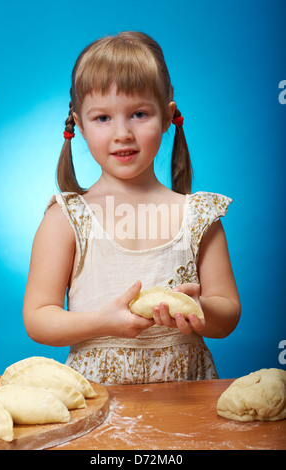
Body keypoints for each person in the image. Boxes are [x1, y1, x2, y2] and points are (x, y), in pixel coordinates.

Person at [23, 31, 241, 385]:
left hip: (184, 393)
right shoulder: (66, 218)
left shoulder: (199, 215)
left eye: (139, 114)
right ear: (78, 125)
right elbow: (38, 318)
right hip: (99, 393)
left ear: (168, 116)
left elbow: (228, 314)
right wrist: (103, 321)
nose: (122, 132)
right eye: (103, 118)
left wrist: (201, 309)